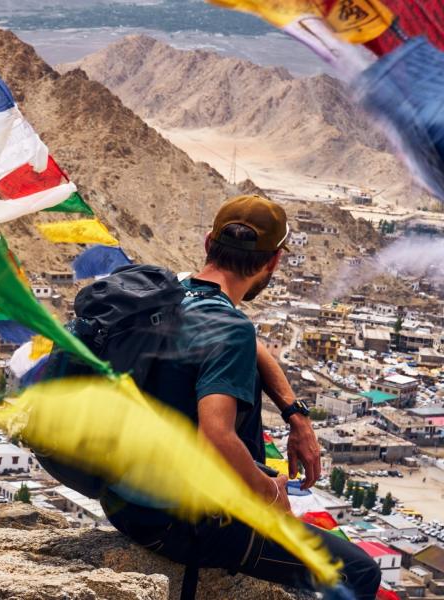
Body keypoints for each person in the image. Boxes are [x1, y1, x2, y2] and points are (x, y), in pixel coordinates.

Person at [100, 195, 381, 599]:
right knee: (359, 572)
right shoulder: (230, 329)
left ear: (207, 243)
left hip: (125, 498)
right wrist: (270, 498)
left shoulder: (171, 293)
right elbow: (215, 437)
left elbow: (247, 342)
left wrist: (294, 413)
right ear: (273, 263)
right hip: (180, 522)